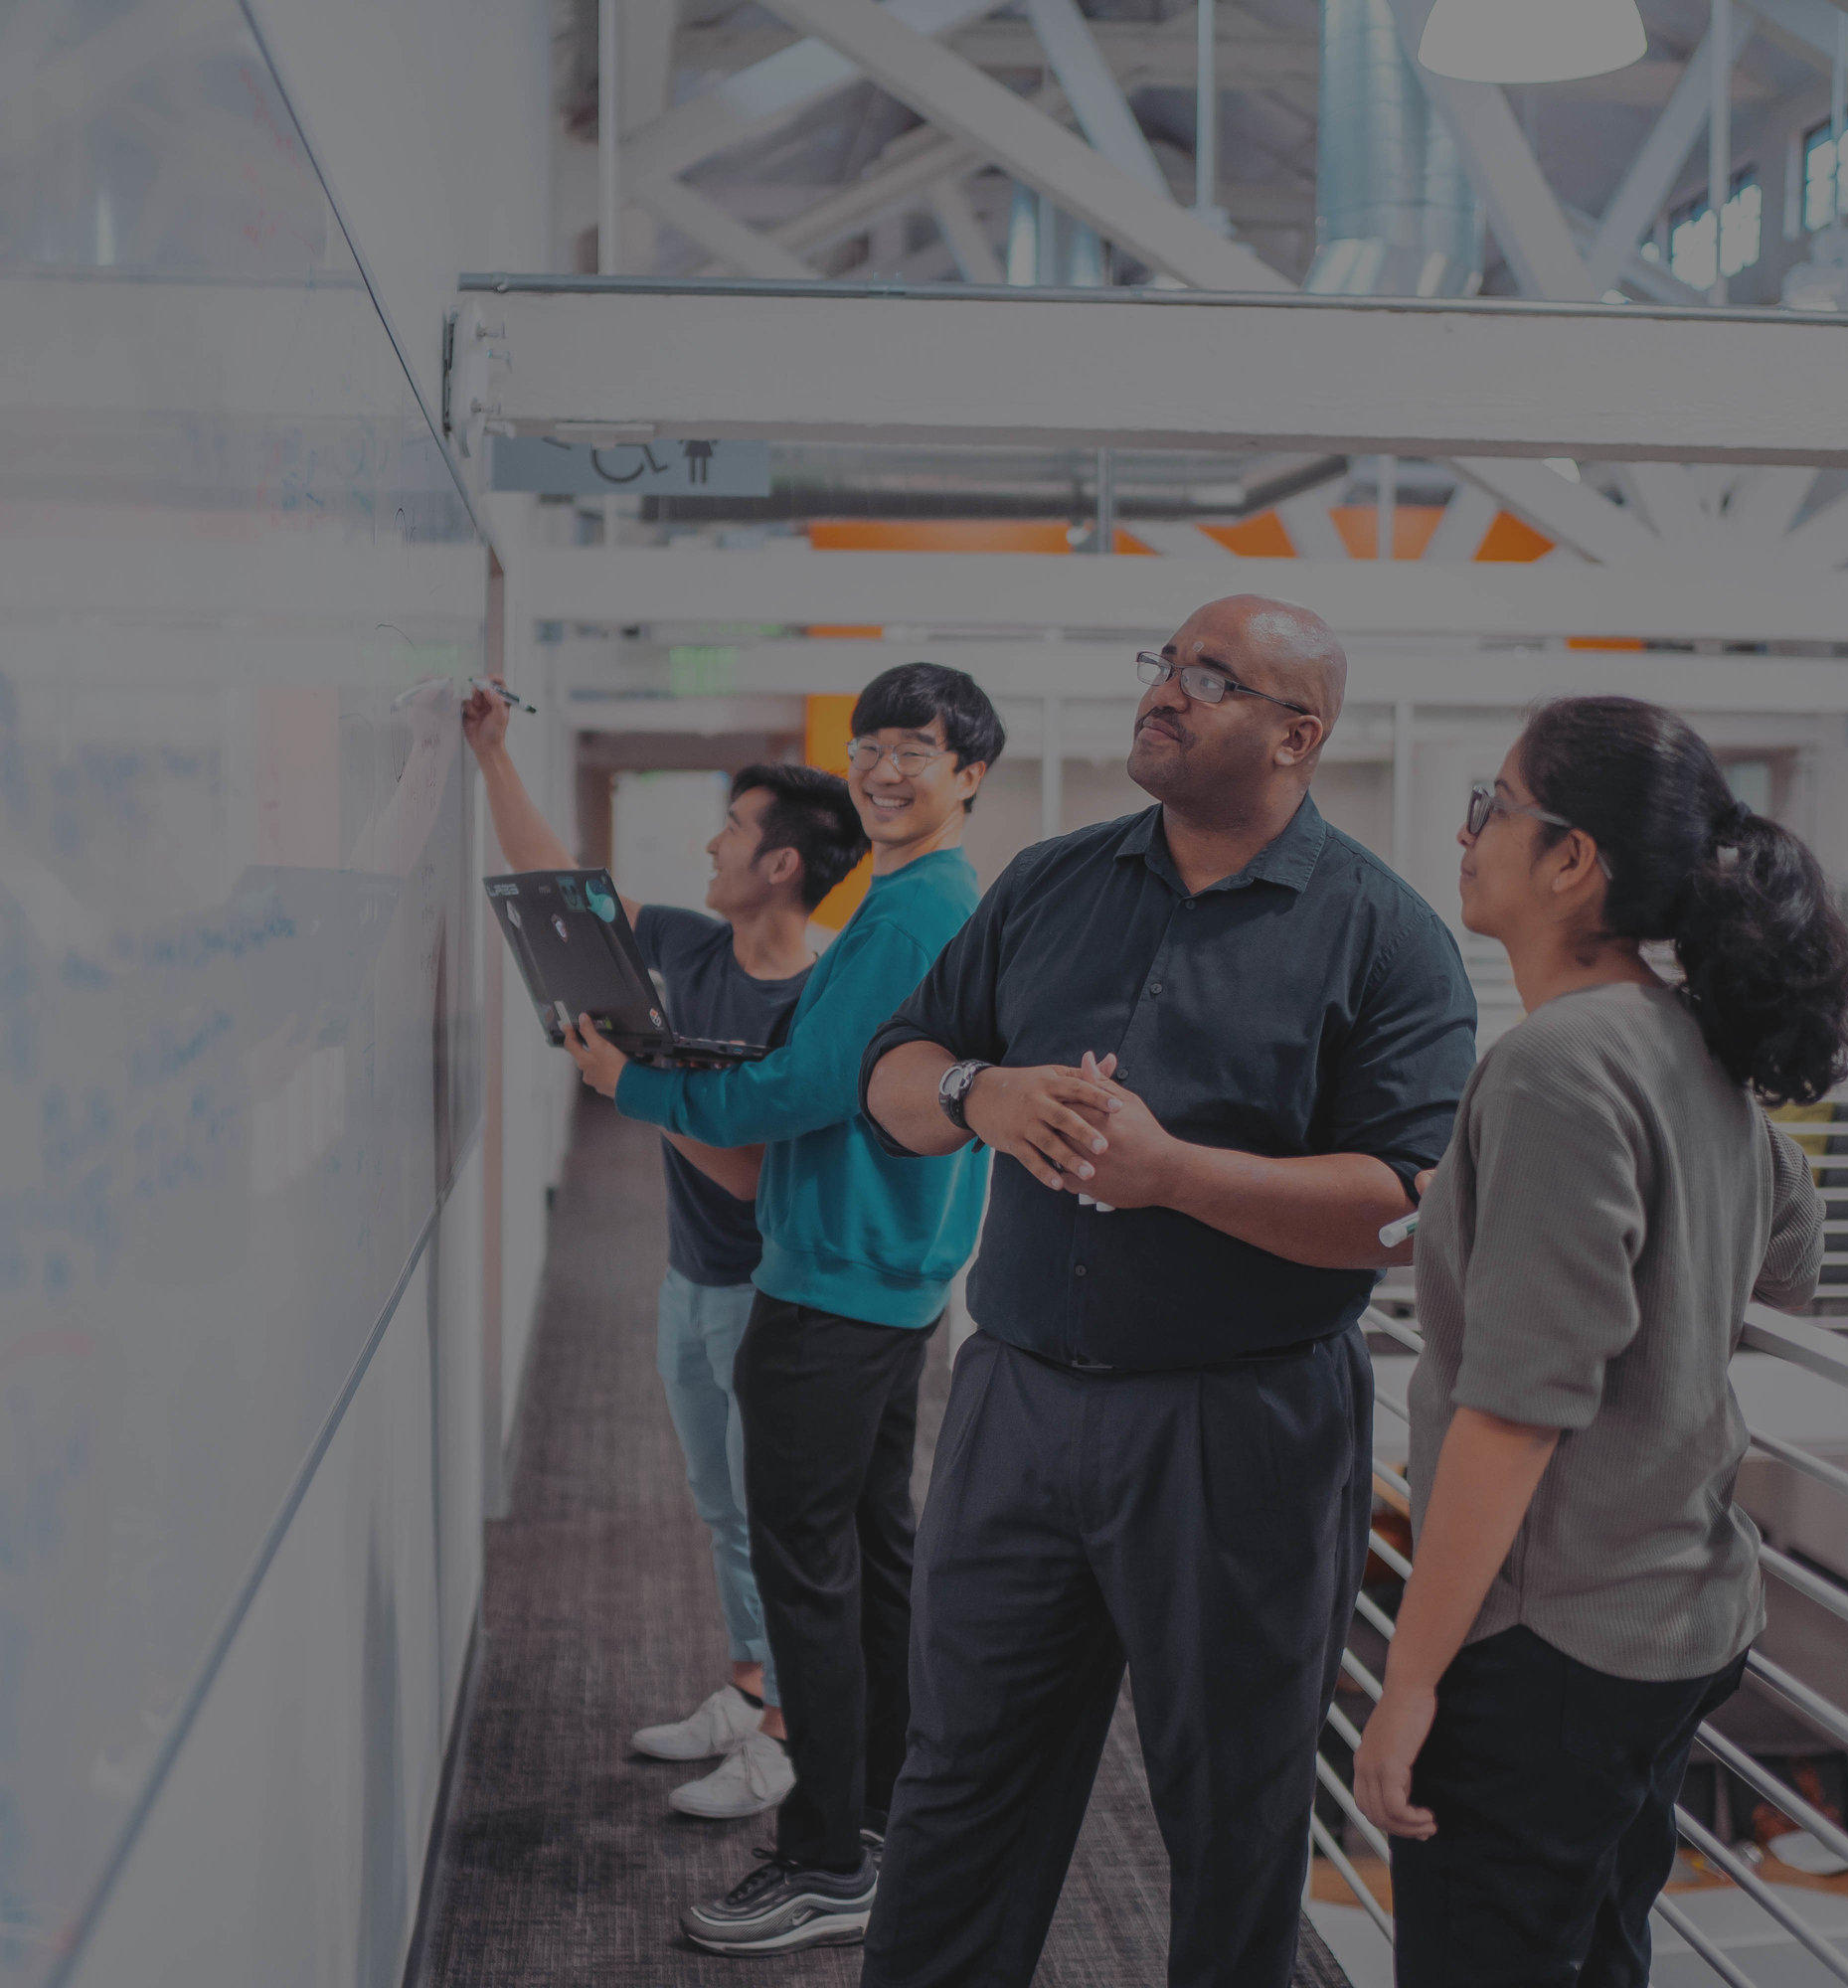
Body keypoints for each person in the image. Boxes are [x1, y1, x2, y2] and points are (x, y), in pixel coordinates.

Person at [859, 594, 1478, 1988]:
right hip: (1014, 1401)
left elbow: (1405, 1209)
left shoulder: (1385, 938)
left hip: (1239, 1428)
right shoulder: (1050, 881)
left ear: (1296, 735)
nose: (1168, 692)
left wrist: (1176, 1175)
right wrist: (979, 1090)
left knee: (1235, 1812)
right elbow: (896, 1080)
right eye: (1166, 664)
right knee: (959, 1783)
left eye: (1213, 677)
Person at [1352, 696, 1848, 1988]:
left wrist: (1407, 1682)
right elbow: (1790, 1260)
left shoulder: (1553, 1066)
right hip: (1677, 1619)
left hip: (1549, 1647)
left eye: (1493, 806)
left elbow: (1520, 1408)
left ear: (1571, 858)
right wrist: (1483, 1210)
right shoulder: (1691, 1044)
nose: (1467, 834)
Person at [560, 662, 1003, 1956]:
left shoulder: (917, 909)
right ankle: (881, 1823)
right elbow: (828, 1072)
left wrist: (628, 1083)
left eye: (913, 748)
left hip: (834, 1282)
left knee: (811, 1574)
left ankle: (825, 1859)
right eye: (869, 743)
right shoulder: (912, 900)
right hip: (878, 1273)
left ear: (968, 774)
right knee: (870, 1558)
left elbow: (805, 1087)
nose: (879, 764)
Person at [459, 685, 868, 1821]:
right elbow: (563, 893)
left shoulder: (818, 998)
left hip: (773, 1287)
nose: (712, 841)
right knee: (717, 1499)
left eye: (733, 827)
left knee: (776, 1514)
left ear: (782, 864)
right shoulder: (689, 942)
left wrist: (630, 1084)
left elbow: (753, 1170)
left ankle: (791, 1733)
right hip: (689, 1276)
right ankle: (752, 1683)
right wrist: (493, 757)